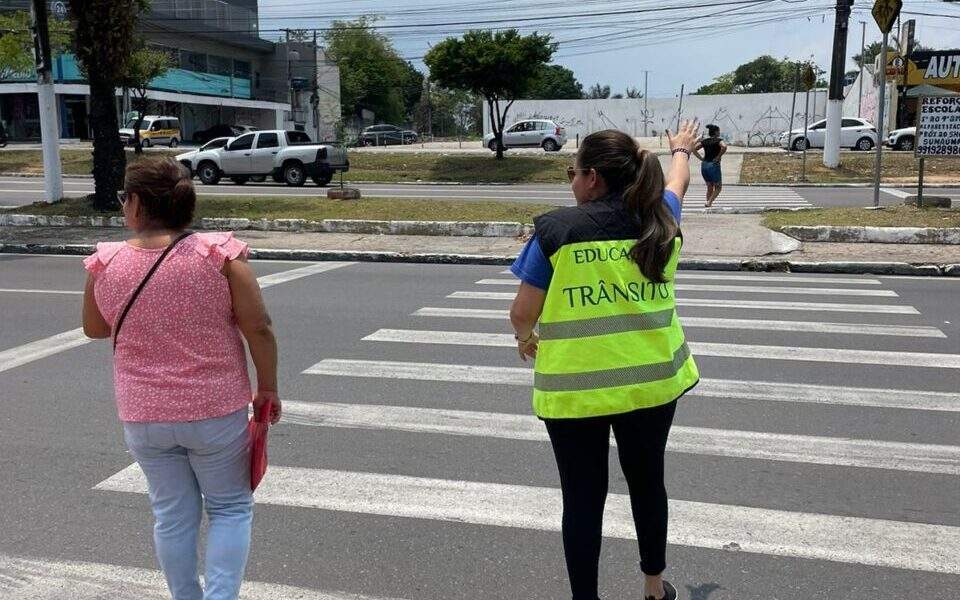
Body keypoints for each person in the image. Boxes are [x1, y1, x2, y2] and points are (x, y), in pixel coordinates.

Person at [508, 122, 702, 600]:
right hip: (652, 384)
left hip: (576, 394)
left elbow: (521, 313)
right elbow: (678, 182)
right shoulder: (661, 219)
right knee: (647, 483)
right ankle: (654, 589)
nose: (570, 181)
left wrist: (524, 337)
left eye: (571, 171)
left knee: (582, 499)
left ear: (592, 177)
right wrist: (681, 150)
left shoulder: (556, 232)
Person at [81, 157, 281, 600]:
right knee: (229, 507)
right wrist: (267, 386)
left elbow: (96, 328)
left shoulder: (106, 261)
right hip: (215, 412)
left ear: (134, 204)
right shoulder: (219, 256)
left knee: (171, 515)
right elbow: (259, 327)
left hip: (144, 416)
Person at [693, 124, 726, 207]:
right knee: (718, 187)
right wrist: (718, 157)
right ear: (715, 132)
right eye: (718, 131)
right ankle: (709, 202)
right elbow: (724, 147)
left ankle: (708, 203)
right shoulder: (718, 140)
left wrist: (701, 158)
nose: (719, 132)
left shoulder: (705, 141)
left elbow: (693, 149)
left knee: (710, 186)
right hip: (713, 165)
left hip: (704, 165)